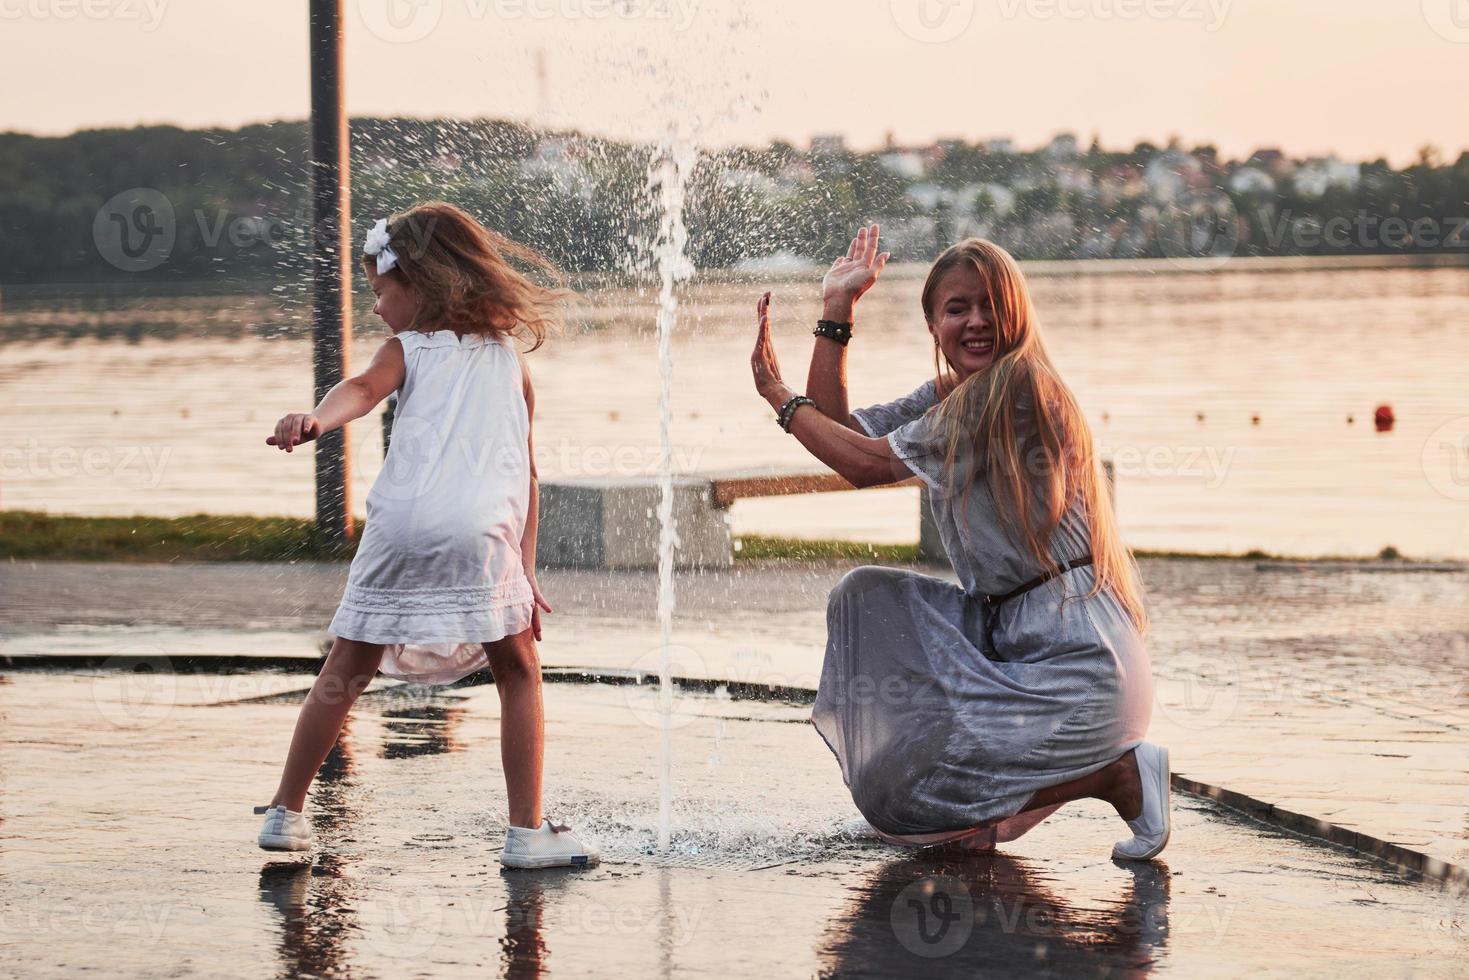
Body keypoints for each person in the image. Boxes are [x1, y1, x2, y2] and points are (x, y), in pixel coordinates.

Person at [749, 224, 1169, 860]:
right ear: (933, 325)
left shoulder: (1015, 389)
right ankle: (1026, 791)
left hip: (1078, 664)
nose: (977, 322)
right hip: (1017, 640)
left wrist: (780, 397)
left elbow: (862, 464)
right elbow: (840, 434)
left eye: (991, 306)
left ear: (1018, 315)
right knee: (866, 598)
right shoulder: (954, 396)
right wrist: (836, 314)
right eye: (957, 308)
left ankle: (1117, 775)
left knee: (913, 806)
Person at [255, 201, 599, 869]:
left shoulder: (405, 350)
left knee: (345, 668)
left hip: (399, 524)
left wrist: (316, 422)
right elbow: (524, 472)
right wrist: (524, 572)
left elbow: (357, 390)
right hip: (479, 529)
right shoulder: (509, 363)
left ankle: (284, 812)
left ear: (421, 282)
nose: (378, 309)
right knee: (518, 671)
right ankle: (526, 833)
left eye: (381, 293)